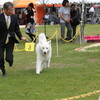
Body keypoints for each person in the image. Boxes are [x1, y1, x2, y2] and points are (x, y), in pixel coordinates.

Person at [0, 2, 26, 76]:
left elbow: (16, 29)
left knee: (9, 58)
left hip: (10, 40)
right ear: (4, 10)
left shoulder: (14, 17)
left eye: (12, 10)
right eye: (10, 10)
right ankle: (3, 71)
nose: (12, 12)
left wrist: (21, 36)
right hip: (1, 40)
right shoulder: (0, 17)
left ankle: (10, 60)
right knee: (0, 58)